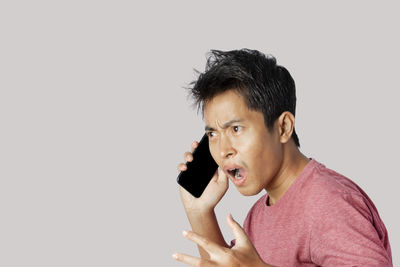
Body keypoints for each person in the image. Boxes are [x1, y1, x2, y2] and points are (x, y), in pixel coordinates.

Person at [172, 49, 392, 266]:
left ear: (284, 127)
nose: (223, 150)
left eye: (236, 129)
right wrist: (199, 211)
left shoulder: (328, 203)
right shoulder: (258, 215)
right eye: (212, 134)